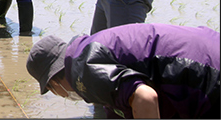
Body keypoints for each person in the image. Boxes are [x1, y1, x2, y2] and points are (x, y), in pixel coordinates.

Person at [26, 23, 220, 119]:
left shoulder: (83, 70)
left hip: (205, 77)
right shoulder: (88, 52)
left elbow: (145, 97)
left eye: (52, 90)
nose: (60, 95)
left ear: (54, 82)